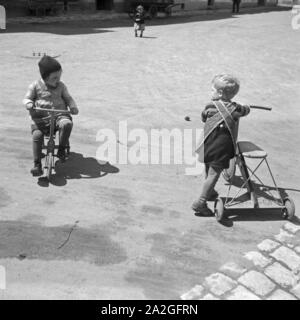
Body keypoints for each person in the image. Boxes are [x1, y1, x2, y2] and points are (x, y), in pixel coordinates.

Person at [192, 74, 250, 216]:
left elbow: (203, 117)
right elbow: (245, 111)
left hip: (207, 143)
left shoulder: (210, 106)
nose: (211, 92)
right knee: (214, 174)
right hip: (221, 147)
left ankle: (210, 192)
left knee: (208, 168)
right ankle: (201, 202)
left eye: (212, 90)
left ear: (219, 93)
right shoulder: (236, 108)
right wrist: (246, 106)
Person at [23, 55, 79, 176]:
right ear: (44, 77)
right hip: (41, 117)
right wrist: (29, 104)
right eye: (54, 78)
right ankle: (37, 164)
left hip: (60, 115)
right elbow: (27, 98)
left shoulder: (61, 86)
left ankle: (61, 149)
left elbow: (68, 98)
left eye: (59, 76)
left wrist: (73, 107)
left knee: (67, 124)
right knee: (37, 135)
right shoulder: (35, 86)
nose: (57, 80)